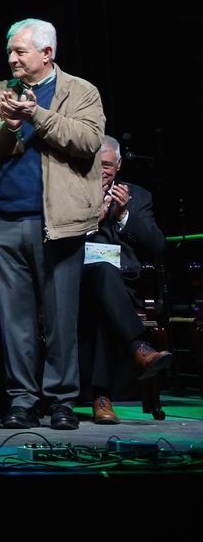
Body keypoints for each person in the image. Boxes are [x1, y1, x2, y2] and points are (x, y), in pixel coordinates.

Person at [0, 18, 104, 430]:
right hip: (8, 220)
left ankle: (62, 400)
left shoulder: (80, 91)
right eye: (10, 51)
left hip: (58, 222)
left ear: (47, 53)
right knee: (15, 322)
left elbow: (88, 141)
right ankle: (21, 400)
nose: (11, 58)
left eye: (20, 51)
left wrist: (38, 115)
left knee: (61, 318)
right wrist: (9, 127)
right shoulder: (0, 92)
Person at [82, 136, 172, 423]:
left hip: (124, 287)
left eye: (108, 164)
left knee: (106, 299)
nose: (103, 170)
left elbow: (157, 245)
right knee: (102, 272)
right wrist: (91, 220)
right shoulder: (74, 191)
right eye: (97, 164)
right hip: (79, 281)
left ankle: (102, 397)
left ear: (119, 164)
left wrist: (124, 217)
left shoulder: (138, 196)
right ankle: (139, 350)